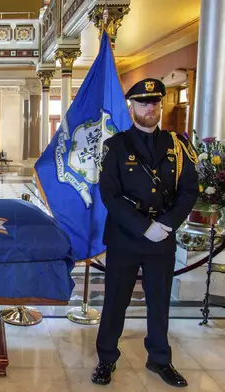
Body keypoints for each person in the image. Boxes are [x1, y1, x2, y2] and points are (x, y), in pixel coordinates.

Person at [92, 78, 198, 387]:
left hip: (162, 237)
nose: (149, 107)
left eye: (154, 102)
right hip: (126, 238)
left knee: (159, 300)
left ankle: (160, 359)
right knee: (115, 301)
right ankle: (106, 358)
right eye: (142, 102)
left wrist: (165, 225)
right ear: (132, 106)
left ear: (161, 105)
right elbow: (109, 195)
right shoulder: (115, 145)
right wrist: (143, 227)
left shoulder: (179, 145)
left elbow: (189, 190)